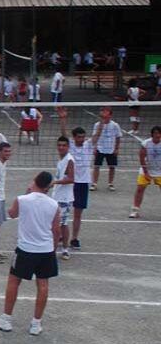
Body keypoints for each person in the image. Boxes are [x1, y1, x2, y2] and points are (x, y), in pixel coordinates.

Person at [0, 171, 61, 336]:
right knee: (43, 285)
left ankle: (6, 320)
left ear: (35, 181)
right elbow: (56, 230)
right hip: (45, 250)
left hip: (25, 249)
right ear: (48, 186)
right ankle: (36, 324)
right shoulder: (53, 204)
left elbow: (12, 213)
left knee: (13, 281)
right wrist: (53, 247)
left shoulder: (22, 200)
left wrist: (27, 193)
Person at [64, 118, 91, 251]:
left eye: (83, 137)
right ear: (74, 137)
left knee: (78, 213)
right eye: (79, 137)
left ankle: (74, 238)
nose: (82, 139)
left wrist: (104, 121)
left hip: (83, 183)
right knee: (63, 211)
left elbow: (97, 135)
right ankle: (61, 235)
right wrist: (63, 118)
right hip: (70, 182)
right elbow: (62, 134)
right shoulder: (70, 146)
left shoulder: (88, 145)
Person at [51, 136, 76, 260]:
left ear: (68, 146)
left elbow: (71, 178)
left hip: (64, 199)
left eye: (64, 145)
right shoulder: (61, 159)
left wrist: (54, 183)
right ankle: (57, 247)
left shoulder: (69, 160)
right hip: (57, 196)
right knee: (57, 224)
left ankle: (65, 249)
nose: (61, 147)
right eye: (59, 145)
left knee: (62, 224)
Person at [130, 125, 161, 219]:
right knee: (140, 189)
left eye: (159, 133)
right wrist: (146, 172)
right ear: (152, 135)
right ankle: (135, 210)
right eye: (156, 133)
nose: (158, 135)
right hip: (147, 169)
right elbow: (142, 158)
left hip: (159, 170)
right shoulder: (146, 143)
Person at [91, 107, 123, 192]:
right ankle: (94, 183)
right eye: (103, 113)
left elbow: (118, 137)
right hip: (100, 148)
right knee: (96, 166)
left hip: (111, 149)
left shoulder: (115, 125)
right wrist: (94, 148)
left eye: (106, 113)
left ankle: (110, 183)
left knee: (112, 167)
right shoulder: (97, 125)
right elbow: (95, 137)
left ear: (110, 115)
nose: (105, 115)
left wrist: (116, 149)